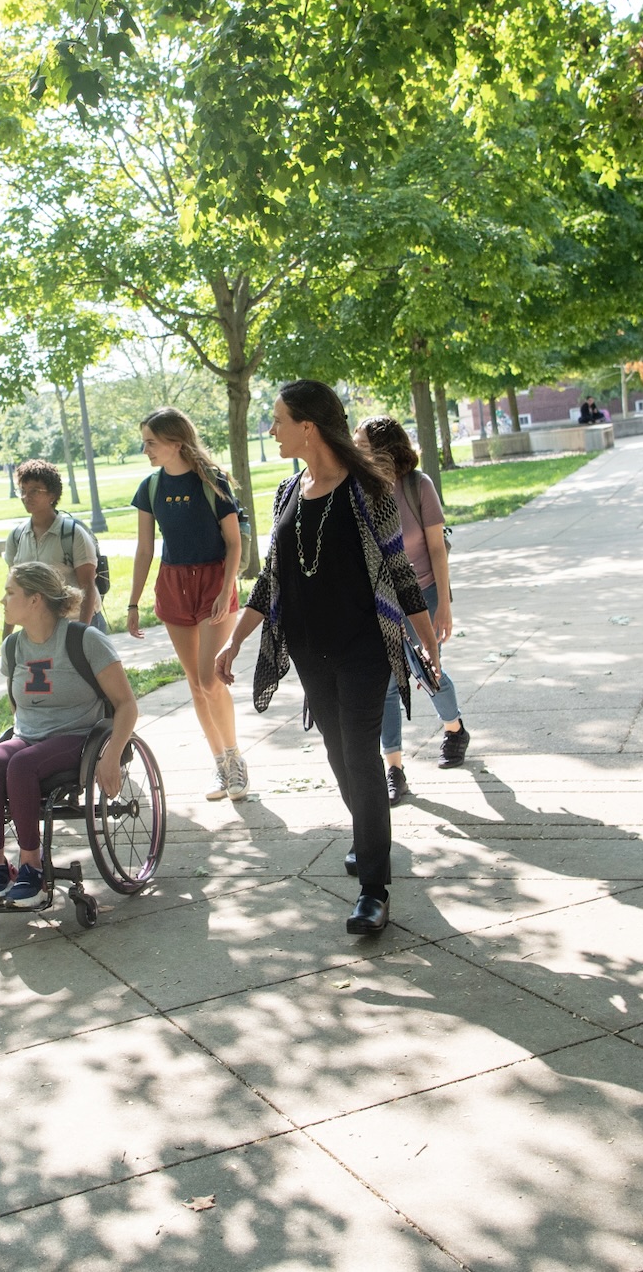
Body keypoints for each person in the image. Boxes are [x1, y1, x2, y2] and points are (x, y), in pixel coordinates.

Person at [216, 380, 439, 936]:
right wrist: (237, 638)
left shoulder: (369, 490)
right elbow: (271, 579)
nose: (271, 430)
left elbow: (399, 570)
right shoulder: (287, 494)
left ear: (308, 427)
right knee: (340, 758)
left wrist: (426, 636)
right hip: (312, 653)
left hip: (365, 648)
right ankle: (370, 835)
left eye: (278, 420)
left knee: (361, 754)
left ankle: (374, 890)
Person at [0, 562, 139, 905]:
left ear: (35, 600)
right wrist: (26, 732)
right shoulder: (13, 647)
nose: (2, 601)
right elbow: (18, 705)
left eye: (10, 593)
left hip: (78, 737)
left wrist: (111, 757)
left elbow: (126, 704)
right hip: (28, 736)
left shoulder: (84, 640)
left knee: (22, 766)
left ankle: (32, 868)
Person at [125, 407, 248, 802]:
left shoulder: (212, 481)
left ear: (175, 442)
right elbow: (145, 549)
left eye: (151, 442)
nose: (145, 449)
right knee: (195, 685)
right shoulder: (150, 487)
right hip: (173, 583)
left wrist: (225, 590)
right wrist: (132, 603)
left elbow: (234, 543)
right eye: (145, 442)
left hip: (215, 581)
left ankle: (236, 760)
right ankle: (219, 765)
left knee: (211, 678)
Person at [356, 416, 468, 798]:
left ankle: (454, 728)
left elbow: (437, 548)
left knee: (427, 669)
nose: (355, 450)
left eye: (362, 444)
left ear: (384, 449)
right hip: (382, 601)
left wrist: (444, 606)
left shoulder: (418, 486)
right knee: (388, 682)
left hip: (425, 593)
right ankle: (395, 770)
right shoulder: (360, 489)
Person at [3, 459, 105, 631]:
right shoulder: (17, 537)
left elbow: (87, 588)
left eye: (35, 491)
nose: (26, 497)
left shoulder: (72, 534)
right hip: (39, 630)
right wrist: (6, 640)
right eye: (23, 490)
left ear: (52, 495)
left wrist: (81, 635)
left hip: (78, 624)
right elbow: (13, 590)